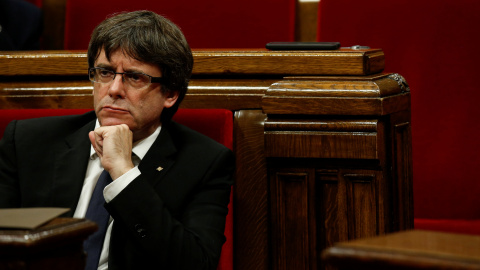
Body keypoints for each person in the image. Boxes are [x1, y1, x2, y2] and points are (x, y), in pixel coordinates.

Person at [0, 10, 234, 270]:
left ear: (171, 94)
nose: (113, 90)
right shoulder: (29, 141)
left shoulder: (203, 163)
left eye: (135, 77)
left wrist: (124, 173)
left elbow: (195, 264)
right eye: (105, 72)